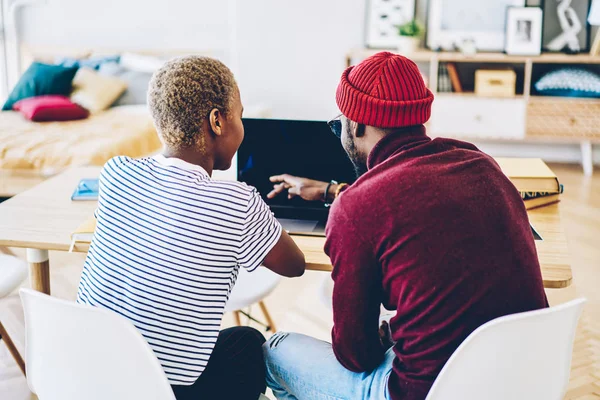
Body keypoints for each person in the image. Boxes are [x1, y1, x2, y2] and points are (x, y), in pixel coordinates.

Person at [263, 52, 548, 400]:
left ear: (357, 126)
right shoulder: (481, 165)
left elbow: (355, 356)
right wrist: (331, 192)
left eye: (340, 124)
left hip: (427, 392)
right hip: (524, 379)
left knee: (274, 351)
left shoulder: (356, 209)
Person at [76, 56, 306, 400]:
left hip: (90, 377)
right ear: (217, 121)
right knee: (249, 343)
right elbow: (295, 265)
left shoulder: (115, 172)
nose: (242, 126)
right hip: (166, 392)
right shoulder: (237, 201)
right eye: (239, 115)